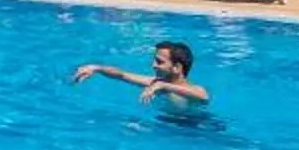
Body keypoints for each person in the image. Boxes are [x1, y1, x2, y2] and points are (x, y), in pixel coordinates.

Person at [72, 40, 209, 111]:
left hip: (195, 130)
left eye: (159, 62)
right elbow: (122, 75)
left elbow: (203, 96)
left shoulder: (191, 89)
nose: (153, 65)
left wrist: (163, 85)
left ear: (177, 68)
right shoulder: (156, 83)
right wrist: (97, 68)